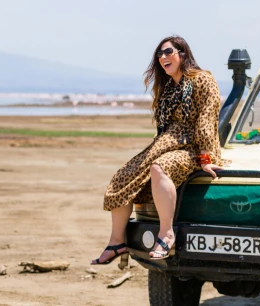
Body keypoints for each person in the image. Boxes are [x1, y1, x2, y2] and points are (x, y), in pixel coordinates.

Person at [91, 35, 226, 264]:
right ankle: (117, 243)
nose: (163, 57)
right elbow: (163, 128)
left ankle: (166, 234)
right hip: (166, 145)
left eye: (168, 52)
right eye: (159, 54)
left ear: (183, 54)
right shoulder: (167, 88)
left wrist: (205, 158)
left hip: (194, 148)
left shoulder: (203, 79)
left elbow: (206, 118)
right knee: (122, 176)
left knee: (159, 167)